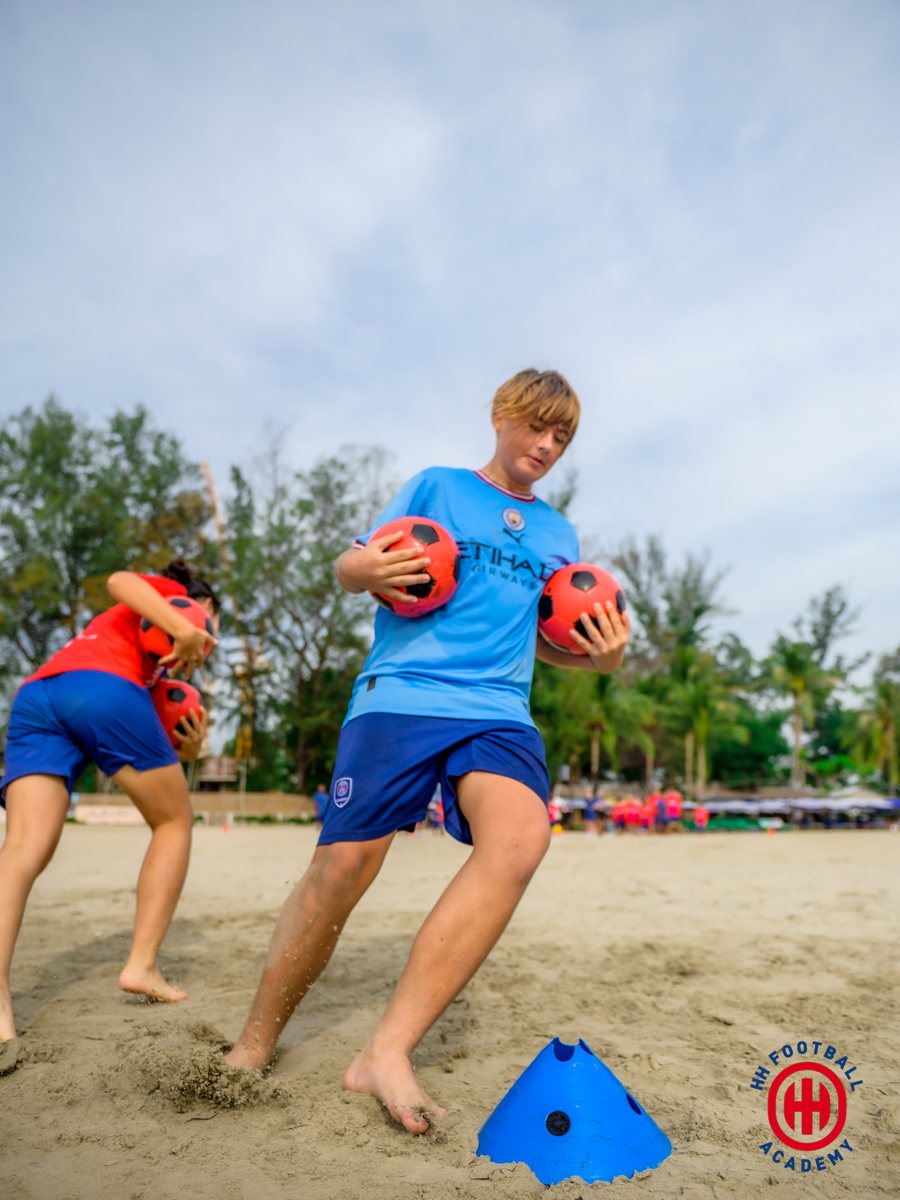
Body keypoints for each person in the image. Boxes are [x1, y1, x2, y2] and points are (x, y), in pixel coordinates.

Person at [225, 369, 631, 1132]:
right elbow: (353, 567)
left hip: (497, 710)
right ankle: (254, 1041)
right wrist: (363, 568)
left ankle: (385, 1052)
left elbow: (543, 641)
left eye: (562, 436)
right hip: (403, 695)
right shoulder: (437, 487)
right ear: (501, 417)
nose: (547, 445)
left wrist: (601, 660)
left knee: (521, 841)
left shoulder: (558, 535)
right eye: (536, 426)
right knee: (344, 868)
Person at [0, 559, 219, 1045]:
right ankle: (142, 965)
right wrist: (186, 625)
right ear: (202, 604)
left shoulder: (147, 664)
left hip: (38, 696)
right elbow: (120, 581)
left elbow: (150, 734)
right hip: (100, 684)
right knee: (174, 822)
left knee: (21, 848)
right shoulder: (170, 598)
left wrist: (189, 751)